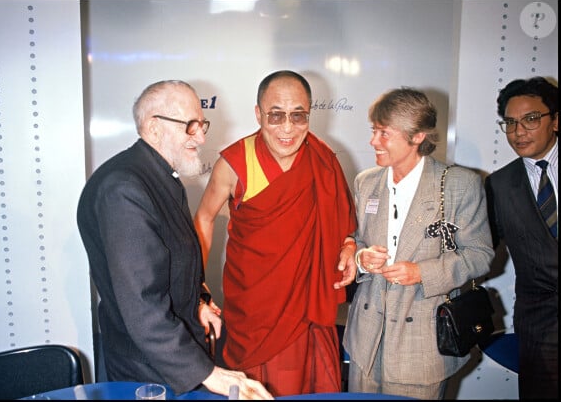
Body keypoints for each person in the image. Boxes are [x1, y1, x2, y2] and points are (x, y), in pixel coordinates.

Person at [76, 80, 273, 400]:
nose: (202, 136)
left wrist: (196, 303)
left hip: (172, 351)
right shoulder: (124, 189)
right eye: (190, 126)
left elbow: (170, 262)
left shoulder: (158, 176)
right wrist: (210, 374)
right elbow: (143, 306)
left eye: (202, 124)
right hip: (149, 366)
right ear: (154, 127)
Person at [193, 70, 358, 396]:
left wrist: (349, 245)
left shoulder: (322, 158)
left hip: (307, 309)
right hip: (254, 310)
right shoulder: (235, 162)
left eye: (298, 117)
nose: (287, 129)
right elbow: (203, 218)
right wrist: (196, 280)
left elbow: (342, 223)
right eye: (276, 116)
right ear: (258, 114)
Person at [342, 87, 495, 399]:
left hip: (422, 341)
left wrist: (422, 272)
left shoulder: (458, 184)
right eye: (374, 130)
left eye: (384, 133)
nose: (373, 141)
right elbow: (354, 238)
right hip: (365, 337)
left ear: (417, 137)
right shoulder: (366, 182)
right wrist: (361, 257)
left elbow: (479, 254)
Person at [485, 76, 558, 400]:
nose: (518, 131)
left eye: (530, 119)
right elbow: (483, 249)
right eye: (511, 123)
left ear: (555, 120)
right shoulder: (500, 185)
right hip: (540, 326)